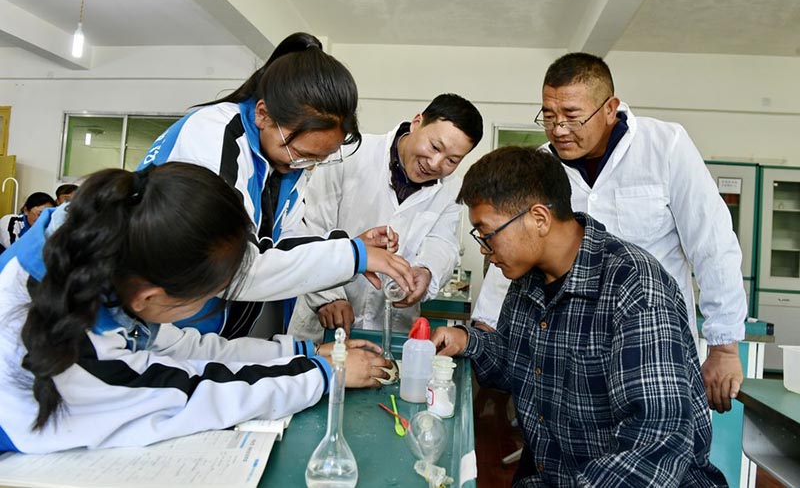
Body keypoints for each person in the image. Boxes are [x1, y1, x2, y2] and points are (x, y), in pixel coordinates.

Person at [0, 163, 391, 453]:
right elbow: (190, 393)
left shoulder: (104, 258)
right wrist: (321, 375)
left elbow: (185, 349)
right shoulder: (69, 344)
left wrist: (300, 352)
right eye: (209, 294)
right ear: (150, 298)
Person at [433, 147, 727, 486]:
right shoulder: (529, 280)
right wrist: (467, 341)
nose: (485, 248)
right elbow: (521, 364)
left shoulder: (634, 288)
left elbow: (657, 444)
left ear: (539, 219)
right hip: (557, 475)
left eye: (487, 233)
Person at [471, 52, 746, 413]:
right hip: (570, 351)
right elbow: (515, 247)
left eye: (571, 116)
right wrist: (484, 325)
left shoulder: (665, 146)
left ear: (609, 108)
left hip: (652, 345)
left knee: (655, 439)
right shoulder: (543, 164)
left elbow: (712, 243)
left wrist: (723, 346)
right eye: (549, 116)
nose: (558, 129)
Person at [138, 32, 414, 338]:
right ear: (263, 115)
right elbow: (231, 272)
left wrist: (347, 245)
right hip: (167, 327)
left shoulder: (281, 159)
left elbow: (285, 241)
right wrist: (353, 255)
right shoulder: (215, 140)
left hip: (210, 334)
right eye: (302, 154)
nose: (305, 166)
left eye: (319, 159)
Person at [289, 93, 483, 339]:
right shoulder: (351, 154)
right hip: (323, 321)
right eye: (435, 147)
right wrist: (328, 297)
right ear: (417, 122)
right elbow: (310, 227)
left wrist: (426, 272)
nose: (435, 163)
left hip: (392, 327)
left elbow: (442, 243)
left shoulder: (450, 189)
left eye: (452, 160)